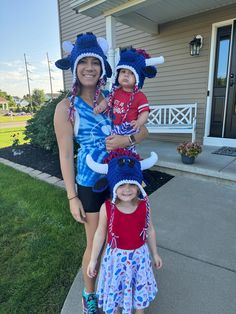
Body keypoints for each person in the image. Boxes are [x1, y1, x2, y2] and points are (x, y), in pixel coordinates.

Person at [54, 32, 149, 314]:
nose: (90, 67)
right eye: (84, 61)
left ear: (103, 67)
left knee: (122, 238)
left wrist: (127, 140)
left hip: (121, 179)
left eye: (96, 61)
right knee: (96, 241)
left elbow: (143, 130)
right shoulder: (65, 108)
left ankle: (118, 289)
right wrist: (72, 196)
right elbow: (65, 155)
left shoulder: (116, 98)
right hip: (90, 182)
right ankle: (90, 295)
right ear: (75, 66)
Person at [86, 149, 163, 314]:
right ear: (113, 185)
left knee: (139, 302)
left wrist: (155, 253)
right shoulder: (107, 208)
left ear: (139, 186)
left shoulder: (143, 206)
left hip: (139, 259)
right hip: (116, 260)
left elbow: (149, 229)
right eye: (121, 184)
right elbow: (100, 234)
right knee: (116, 299)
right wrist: (93, 260)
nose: (127, 189)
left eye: (132, 185)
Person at [94, 48, 164, 151]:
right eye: (123, 71)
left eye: (131, 73)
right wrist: (101, 106)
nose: (126, 75)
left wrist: (139, 122)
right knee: (112, 148)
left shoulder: (139, 96)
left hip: (129, 129)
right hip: (115, 127)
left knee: (127, 151)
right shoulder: (115, 91)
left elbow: (145, 112)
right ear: (118, 75)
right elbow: (107, 100)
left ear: (138, 77)